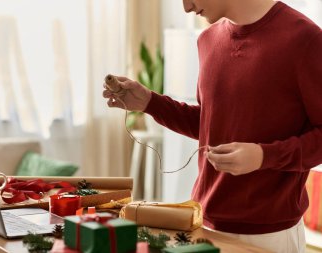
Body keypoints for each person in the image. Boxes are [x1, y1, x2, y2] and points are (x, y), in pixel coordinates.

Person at [103, 0, 322, 252]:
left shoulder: (305, 39)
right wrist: (151, 103)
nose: (186, 7)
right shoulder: (207, 40)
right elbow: (212, 123)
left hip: (268, 234)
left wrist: (263, 156)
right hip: (202, 224)